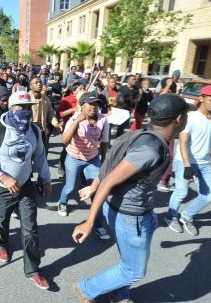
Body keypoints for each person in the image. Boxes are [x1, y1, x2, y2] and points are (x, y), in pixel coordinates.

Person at [71, 94, 189, 303]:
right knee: (134, 270)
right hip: (130, 217)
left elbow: (111, 162)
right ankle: (86, 289)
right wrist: (89, 223)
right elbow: (109, 180)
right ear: (178, 119)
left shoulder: (145, 134)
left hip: (140, 213)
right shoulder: (150, 149)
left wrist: (92, 187)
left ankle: (120, 295)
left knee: (130, 262)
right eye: (186, 114)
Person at [0, 91, 52, 290]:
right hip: (1, 189)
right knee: (1, 219)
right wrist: (3, 177)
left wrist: (46, 178)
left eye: (28, 107)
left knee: (31, 228)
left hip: (26, 187)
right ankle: (0, 244)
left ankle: (33, 269)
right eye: (20, 107)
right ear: (10, 108)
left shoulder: (34, 131)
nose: (25, 111)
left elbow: (40, 156)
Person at [164, 85, 211, 236]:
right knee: (181, 192)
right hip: (185, 161)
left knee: (207, 197)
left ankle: (186, 216)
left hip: (204, 163)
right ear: (201, 99)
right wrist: (187, 166)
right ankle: (170, 216)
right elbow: (183, 142)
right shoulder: (190, 117)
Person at [56, 94, 111, 239]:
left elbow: (105, 141)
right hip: (74, 157)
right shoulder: (75, 119)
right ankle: (62, 202)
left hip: (93, 159)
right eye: (90, 103)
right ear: (82, 106)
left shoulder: (103, 119)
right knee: (71, 186)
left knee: (97, 191)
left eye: (96, 104)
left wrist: (104, 161)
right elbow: (64, 140)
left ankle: (98, 224)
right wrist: (76, 122)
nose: (93, 106)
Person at [56, 82, 87, 179]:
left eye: (84, 88)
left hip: (83, 131)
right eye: (81, 88)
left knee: (82, 152)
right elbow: (59, 114)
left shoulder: (86, 100)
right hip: (68, 130)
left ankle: (82, 174)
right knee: (66, 150)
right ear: (74, 91)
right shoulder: (66, 100)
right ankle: (61, 167)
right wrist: (73, 109)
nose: (83, 90)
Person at [29, 77, 55, 153]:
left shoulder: (46, 99)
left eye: (40, 82)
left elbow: (50, 113)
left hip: (43, 132)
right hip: (30, 132)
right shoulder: (26, 98)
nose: (39, 84)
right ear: (30, 86)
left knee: (43, 155)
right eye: (36, 83)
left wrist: (56, 123)